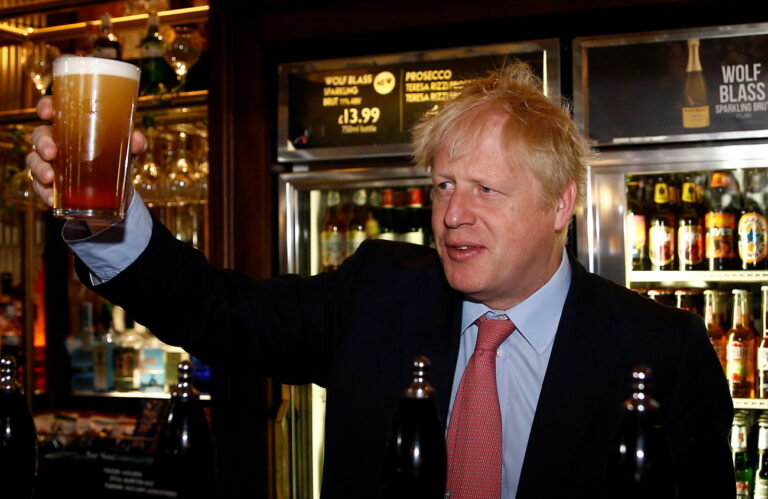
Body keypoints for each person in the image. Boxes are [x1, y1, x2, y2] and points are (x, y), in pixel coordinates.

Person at [27, 63, 733, 499]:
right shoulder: (378, 292)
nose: (453, 215)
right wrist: (105, 218)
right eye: (443, 185)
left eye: (486, 189)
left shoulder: (661, 350)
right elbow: (219, 311)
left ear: (560, 203)